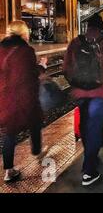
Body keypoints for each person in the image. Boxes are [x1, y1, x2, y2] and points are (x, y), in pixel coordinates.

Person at [63, 15, 103, 186]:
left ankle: (90, 156)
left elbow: (65, 68)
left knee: (85, 127)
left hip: (81, 94)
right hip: (100, 93)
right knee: (95, 129)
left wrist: (76, 83)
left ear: (87, 26)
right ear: (101, 26)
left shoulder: (76, 42)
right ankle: (89, 172)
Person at [0, 21, 45, 183]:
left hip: (5, 99)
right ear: (23, 33)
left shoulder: (1, 50)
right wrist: (42, 67)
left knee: (9, 134)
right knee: (35, 121)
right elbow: (30, 76)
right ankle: (37, 150)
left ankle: (9, 171)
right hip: (24, 98)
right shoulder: (26, 51)